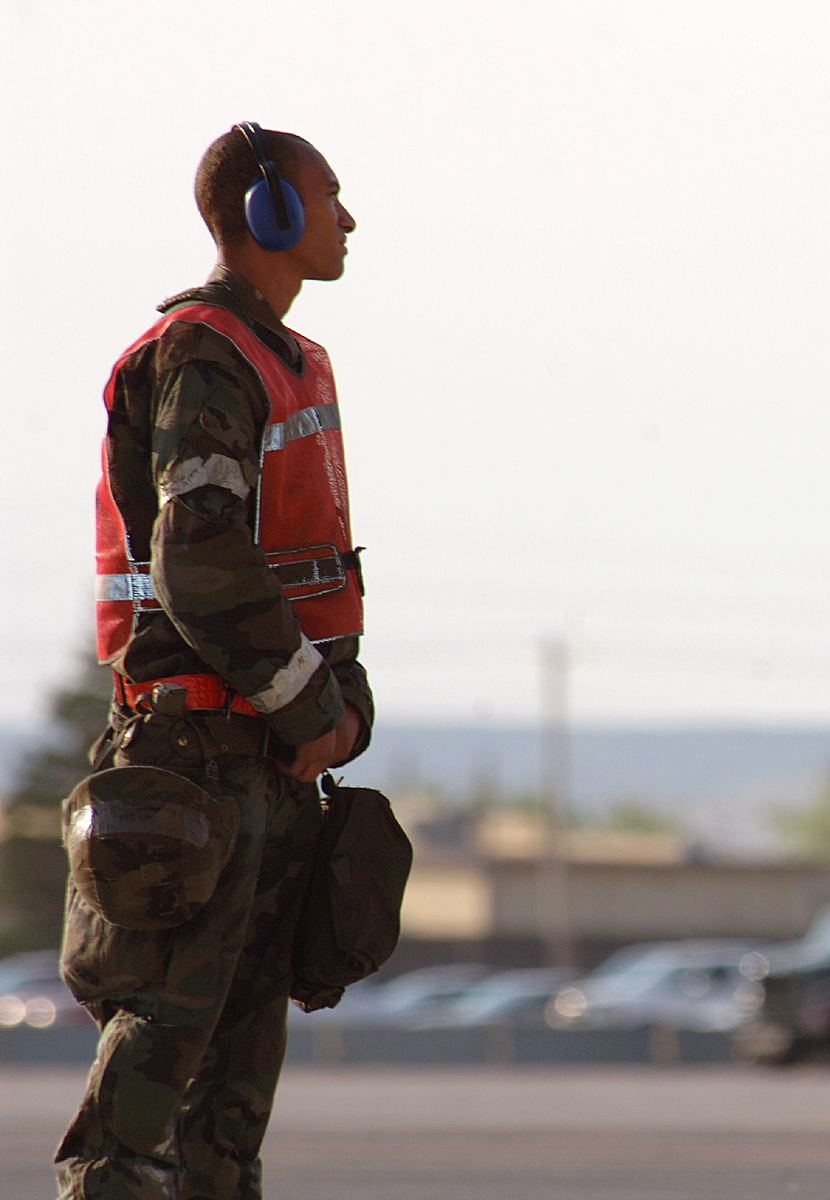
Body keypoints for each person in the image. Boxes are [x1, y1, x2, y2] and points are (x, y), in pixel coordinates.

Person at [57, 124, 372, 1200]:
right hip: (198, 756)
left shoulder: (279, 361)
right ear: (272, 212)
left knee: (224, 1123)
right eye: (331, 197)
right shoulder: (205, 356)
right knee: (154, 1084)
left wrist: (328, 708)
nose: (348, 220)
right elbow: (196, 559)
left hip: (260, 761)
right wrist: (309, 708)